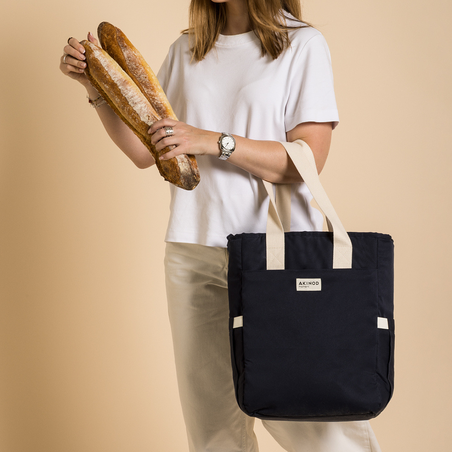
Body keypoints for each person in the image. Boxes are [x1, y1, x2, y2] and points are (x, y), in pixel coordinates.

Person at [60, 1, 382, 451]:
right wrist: (94, 86)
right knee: (212, 429)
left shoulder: (302, 44)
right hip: (192, 250)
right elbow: (145, 150)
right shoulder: (187, 49)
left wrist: (216, 142)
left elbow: (307, 160)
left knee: (312, 418)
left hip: (275, 257)